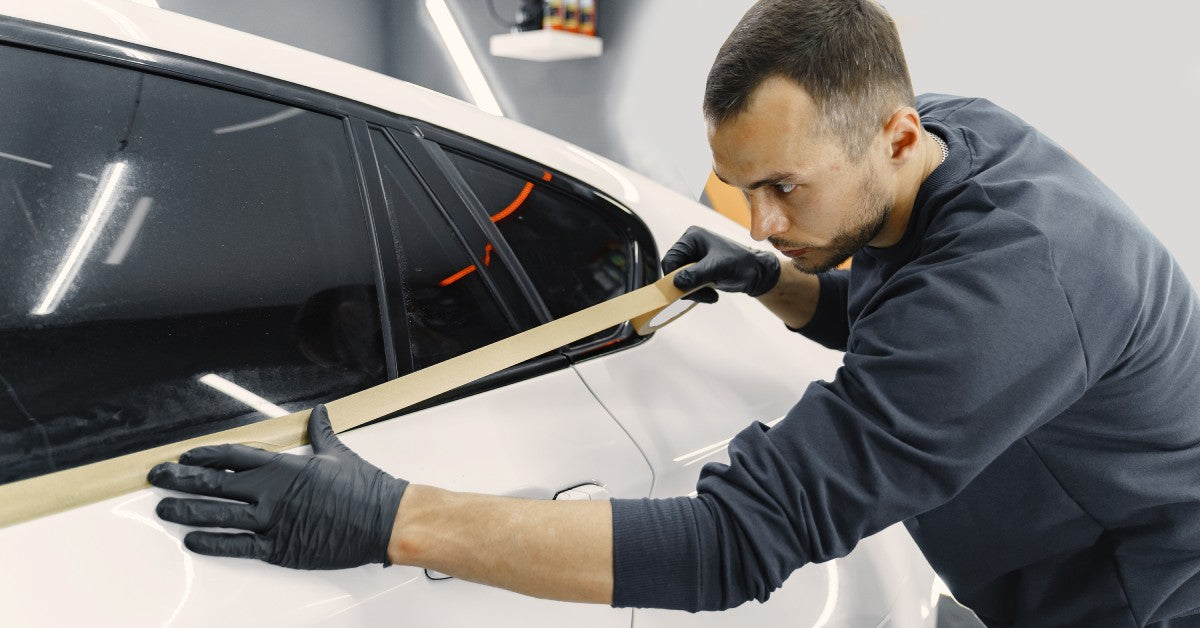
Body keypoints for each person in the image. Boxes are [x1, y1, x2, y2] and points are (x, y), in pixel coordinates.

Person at [147, 0, 1200, 625]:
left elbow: (736, 544)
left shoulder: (1016, 284)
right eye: (742, 187)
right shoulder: (947, 144)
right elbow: (893, 307)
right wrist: (776, 283)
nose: (762, 216)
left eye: (785, 188)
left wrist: (389, 519)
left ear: (892, 133)